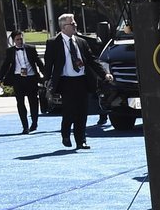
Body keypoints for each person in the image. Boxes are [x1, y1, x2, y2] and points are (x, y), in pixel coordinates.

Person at [43, 13, 113, 150]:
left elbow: (92, 61)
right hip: (66, 82)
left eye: (75, 23)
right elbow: (48, 64)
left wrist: (105, 74)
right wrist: (46, 81)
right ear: (64, 27)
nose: (75, 25)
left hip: (82, 80)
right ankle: (65, 134)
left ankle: (81, 140)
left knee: (82, 111)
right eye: (72, 24)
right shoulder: (53, 43)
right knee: (69, 110)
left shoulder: (81, 42)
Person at [0, 30, 43, 133]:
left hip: (31, 78)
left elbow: (38, 62)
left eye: (21, 39)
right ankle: (25, 126)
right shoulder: (10, 51)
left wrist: (45, 74)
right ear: (13, 40)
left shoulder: (30, 49)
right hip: (18, 79)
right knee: (20, 102)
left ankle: (34, 123)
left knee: (34, 101)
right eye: (17, 39)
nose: (19, 41)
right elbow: (5, 65)